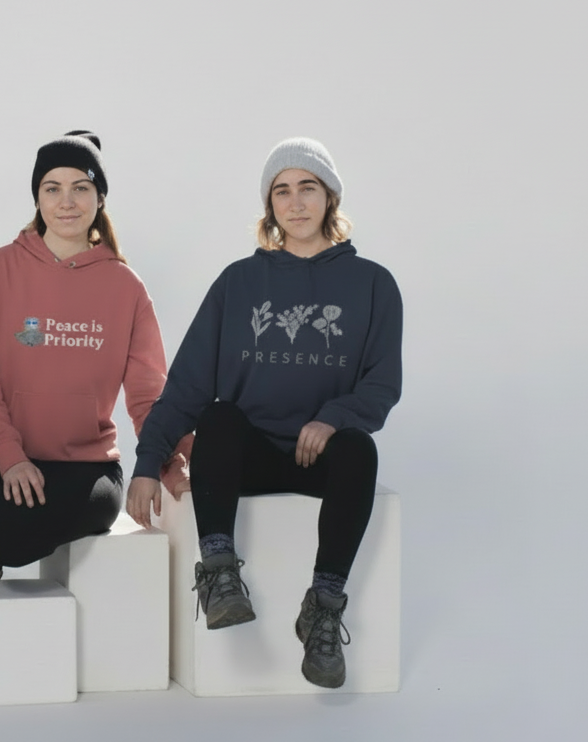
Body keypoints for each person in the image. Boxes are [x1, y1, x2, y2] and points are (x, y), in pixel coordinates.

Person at [131, 137, 403, 689]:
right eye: (282, 190)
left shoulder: (373, 284)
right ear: (269, 205)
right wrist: (145, 463)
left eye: (308, 187)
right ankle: (220, 574)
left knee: (360, 447)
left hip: (321, 457)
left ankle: (323, 608)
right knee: (220, 417)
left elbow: (382, 386)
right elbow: (186, 385)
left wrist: (332, 417)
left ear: (329, 197)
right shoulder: (239, 282)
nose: (295, 201)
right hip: (246, 458)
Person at [0, 132, 189, 602]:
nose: (66, 202)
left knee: (11, 537)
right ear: (37, 197)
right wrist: (9, 457)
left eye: (80, 187)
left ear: (99, 197)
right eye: (52, 188)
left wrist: (172, 463)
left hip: (84, 469)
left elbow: (150, 397)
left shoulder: (125, 287)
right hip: (0, 456)